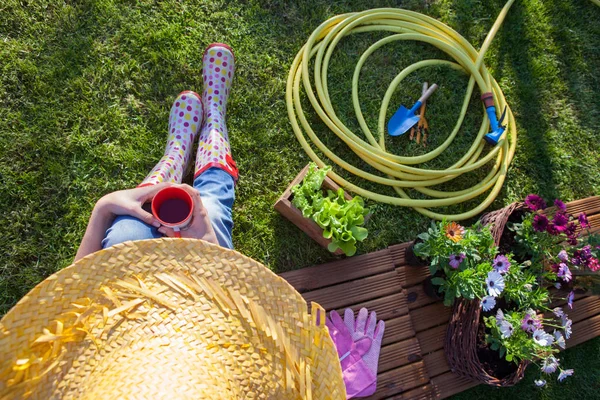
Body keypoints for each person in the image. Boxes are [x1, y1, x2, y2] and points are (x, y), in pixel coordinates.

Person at [75, 43, 238, 262]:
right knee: (211, 209)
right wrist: (209, 247)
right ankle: (214, 117)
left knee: (137, 220)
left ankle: (176, 155)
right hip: (203, 279)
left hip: (127, 278)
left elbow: (79, 279)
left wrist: (104, 208)